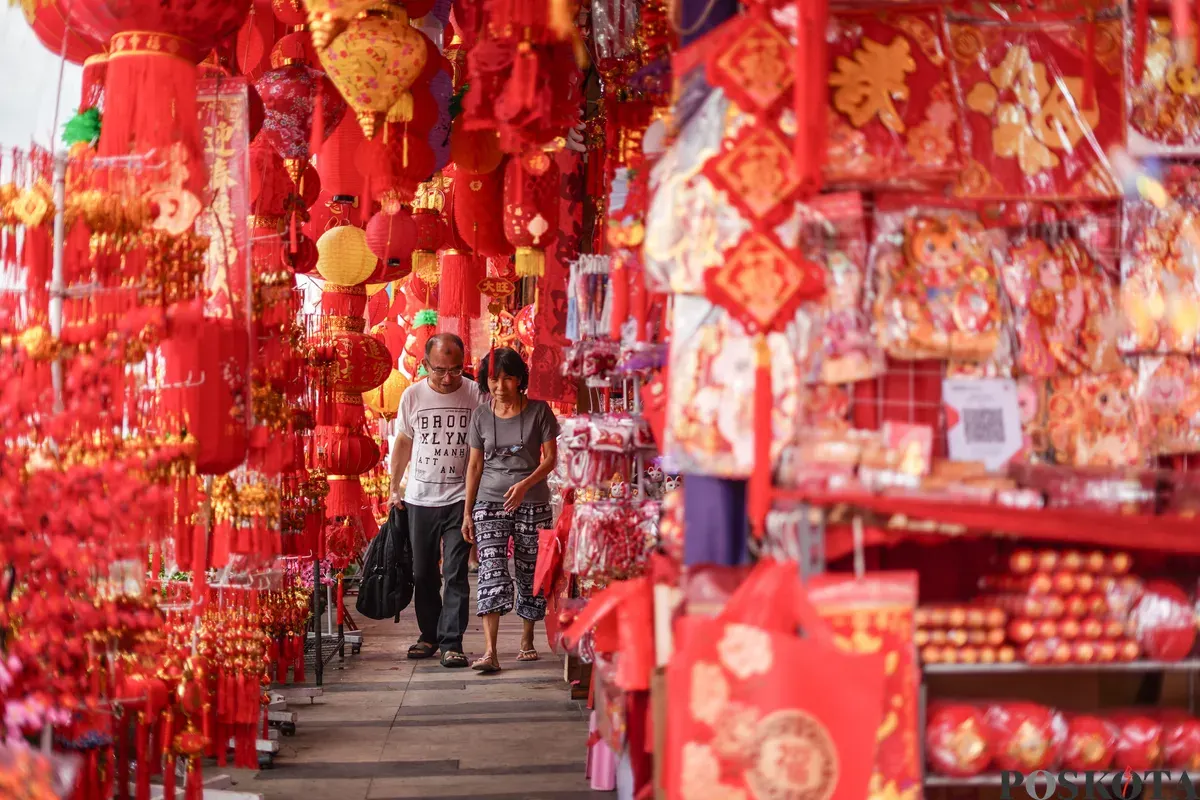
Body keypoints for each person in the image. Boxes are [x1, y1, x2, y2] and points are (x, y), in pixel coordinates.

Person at [389, 333, 483, 668]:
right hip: (420, 499)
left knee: (456, 572)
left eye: (456, 370)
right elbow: (403, 444)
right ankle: (429, 635)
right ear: (425, 364)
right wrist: (393, 488)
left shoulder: (476, 394)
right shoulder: (412, 396)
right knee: (424, 572)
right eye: (440, 370)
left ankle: (451, 642)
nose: (448, 378)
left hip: (461, 498)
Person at [462, 348, 559, 673]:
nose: (500, 386)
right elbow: (474, 466)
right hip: (489, 502)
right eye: (493, 378)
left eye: (507, 378)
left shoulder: (539, 412)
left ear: (520, 380)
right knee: (492, 569)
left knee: (530, 570)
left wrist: (523, 485)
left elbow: (549, 459)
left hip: (532, 502)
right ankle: (490, 652)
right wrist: (467, 511)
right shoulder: (480, 416)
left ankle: (527, 639)